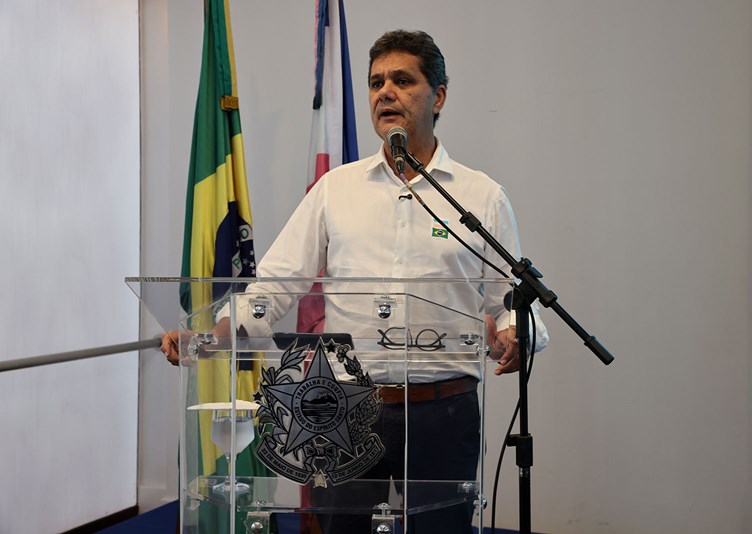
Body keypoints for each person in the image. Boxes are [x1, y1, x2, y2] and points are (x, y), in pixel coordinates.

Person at [163, 29, 548, 534]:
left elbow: (511, 300)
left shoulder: (480, 196)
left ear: (439, 96)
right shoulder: (336, 190)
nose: (385, 92)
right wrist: (212, 335)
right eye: (376, 82)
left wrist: (516, 333)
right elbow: (274, 286)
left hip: (443, 410)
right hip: (344, 407)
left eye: (402, 81)